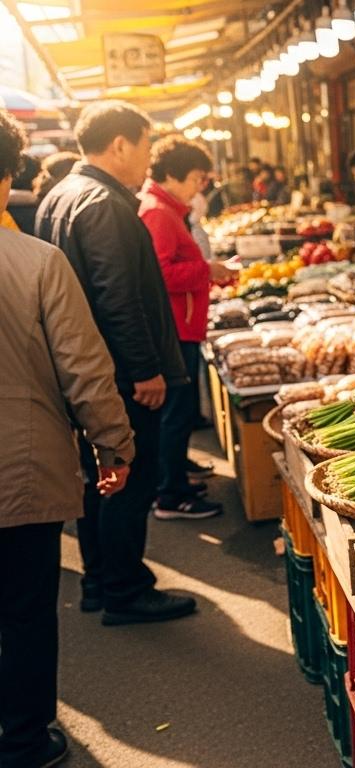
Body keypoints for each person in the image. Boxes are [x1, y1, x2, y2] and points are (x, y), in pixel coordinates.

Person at [0, 107, 134, 768]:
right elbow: (85, 369)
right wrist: (115, 446)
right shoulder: (35, 262)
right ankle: (23, 742)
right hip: (20, 472)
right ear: (9, 176)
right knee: (25, 609)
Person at [35, 100, 196, 626]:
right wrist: (145, 369)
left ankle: (101, 580)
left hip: (82, 369)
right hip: (118, 373)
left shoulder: (60, 195)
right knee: (130, 473)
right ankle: (125, 590)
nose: (150, 157)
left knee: (96, 477)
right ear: (120, 143)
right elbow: (118, 296)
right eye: (147, 144)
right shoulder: (103, 202)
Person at [139, 137, 236, 520]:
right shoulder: (159, 213)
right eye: (197, 177)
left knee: (178, 413)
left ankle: (174, 475)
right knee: (175, 415)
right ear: (176, 174)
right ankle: (171, 495)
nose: (201, 186)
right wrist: (206, 270)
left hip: (183, 323)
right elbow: (159, 275)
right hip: (175, 328)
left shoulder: (166, 209)